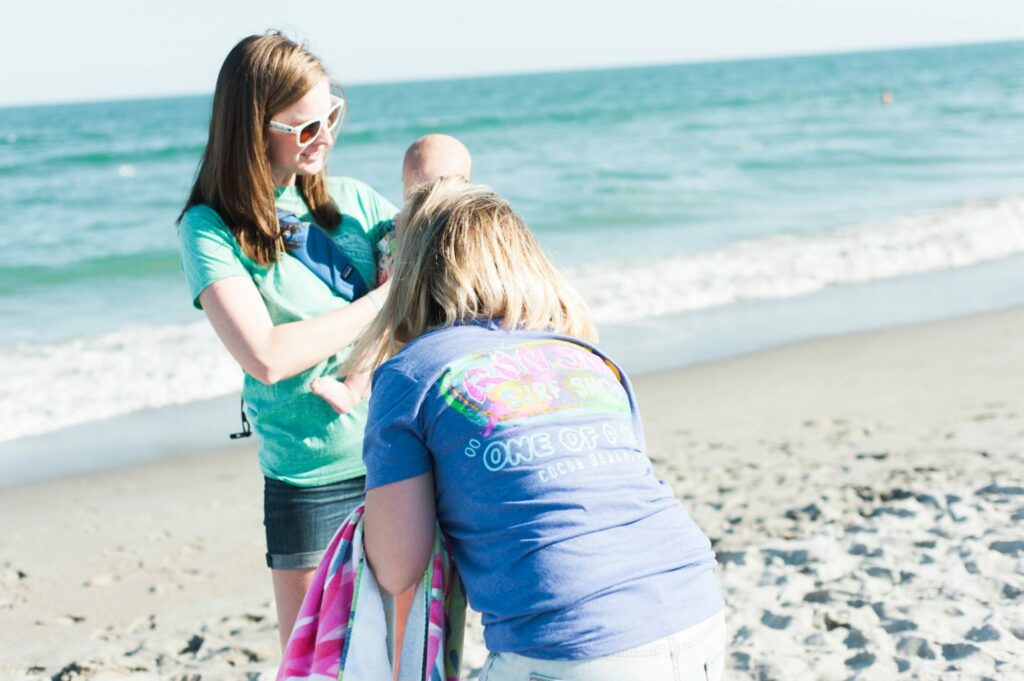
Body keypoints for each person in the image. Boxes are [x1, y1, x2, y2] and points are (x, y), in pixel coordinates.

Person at [318, 178, 727, 680]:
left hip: (570, 644)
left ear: (413, 274)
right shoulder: (589, 360)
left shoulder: (411, 373)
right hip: (696, 610)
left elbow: (398, 566)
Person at [176, 31, 398, 649]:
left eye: (331, 115)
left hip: (401, 452)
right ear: (251, 129)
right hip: (311, 473)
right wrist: (383, 302)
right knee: (316, 659)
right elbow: (266, 356)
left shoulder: (355, 202)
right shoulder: (210, 229)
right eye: (303, 128)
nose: (324, 136)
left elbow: (439, 272)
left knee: (411, 651)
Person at [309, 134, 473, 413]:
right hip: (392, 305)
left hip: (429, 311)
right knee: (378, 334)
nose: (425, 204)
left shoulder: (464, 228)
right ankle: (353, 389)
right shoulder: (399, 224)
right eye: (416, 194)